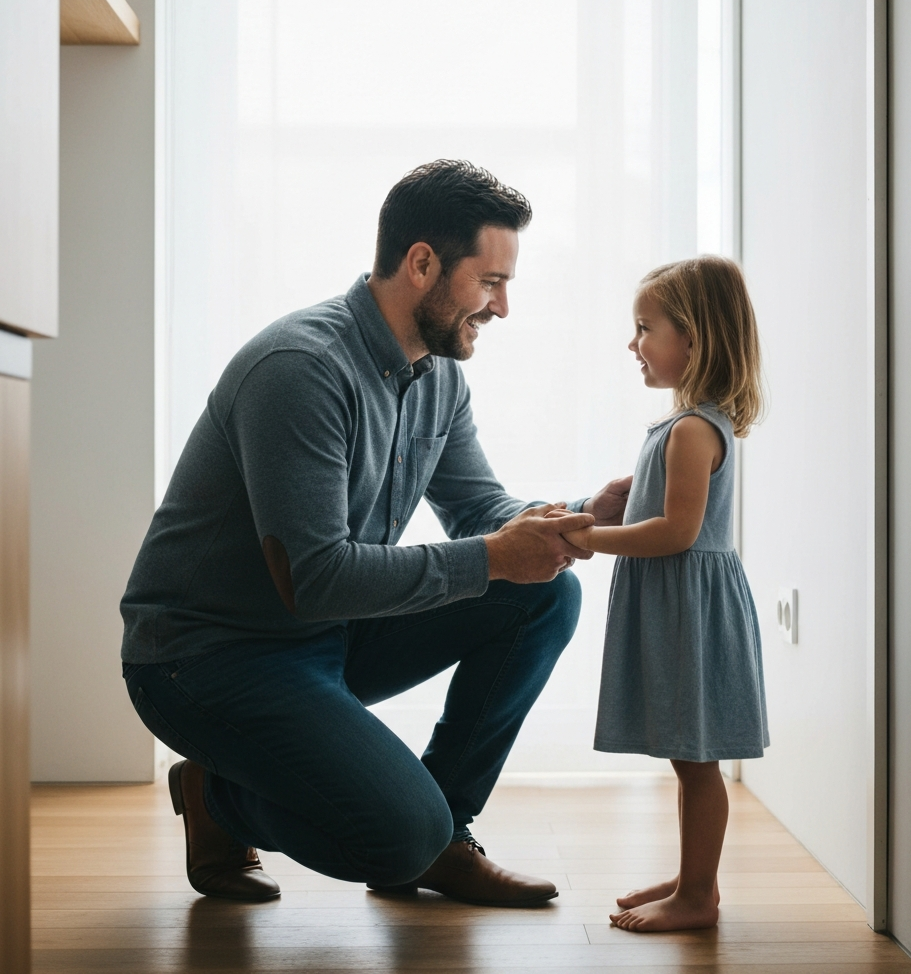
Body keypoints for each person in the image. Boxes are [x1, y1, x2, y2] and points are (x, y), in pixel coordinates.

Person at [120, 160, 630, 908]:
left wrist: (583, 514)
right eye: (491, 282)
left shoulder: (440, 376)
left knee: (546, 598)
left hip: (323, 639)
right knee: (395, 845)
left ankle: (445, 831)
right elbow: (318, 578)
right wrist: (495, 556)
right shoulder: (302, 368)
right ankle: (219, 794)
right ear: (423, 264)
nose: (505, 307)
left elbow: (478, 508)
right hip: (207, 659)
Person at [555, 255, 769, 931]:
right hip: (681, 605)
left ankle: (699, 896)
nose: (633, 343)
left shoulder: (692, 431)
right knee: (689, 757)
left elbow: (677, 532)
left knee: (697, 761)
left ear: (694, 341)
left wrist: (590, 539)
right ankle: (692, 876)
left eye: (646, 328)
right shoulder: (686, 427)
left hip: (689, 610)